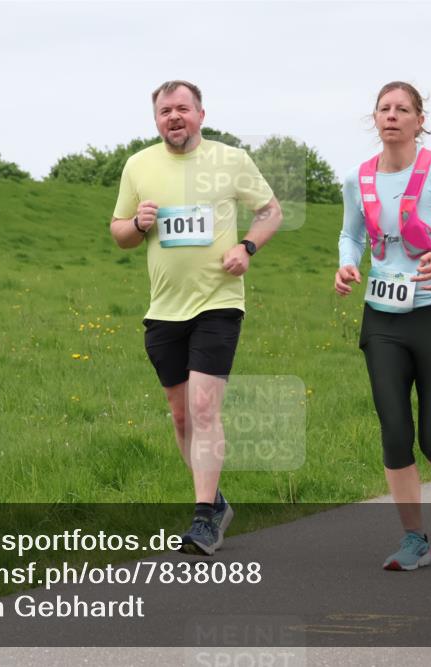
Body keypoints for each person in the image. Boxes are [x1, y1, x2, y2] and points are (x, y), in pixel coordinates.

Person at [111, 80, 283, 556]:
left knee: (205, 407)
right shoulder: (138, 166)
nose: (174, 117)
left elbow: (271, 211)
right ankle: (215, 501)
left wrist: (247, 247)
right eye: (165, 110)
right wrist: (138, 224)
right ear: (156, 119)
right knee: (183, 414)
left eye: (182, 108)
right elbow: (119, 233)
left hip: (219, 302)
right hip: (164, 308)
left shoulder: (229, 161)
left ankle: (204, 517)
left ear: (201, 114)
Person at [335, 81, 431, 571]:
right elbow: (350, 232)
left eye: (403, 109)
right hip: (383, 317)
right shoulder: (357, 178)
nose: (393, 116)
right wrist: (346, 263)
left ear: (420, 119)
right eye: (384, 108)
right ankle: (414, 540)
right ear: (374, 118)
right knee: (395, 432)